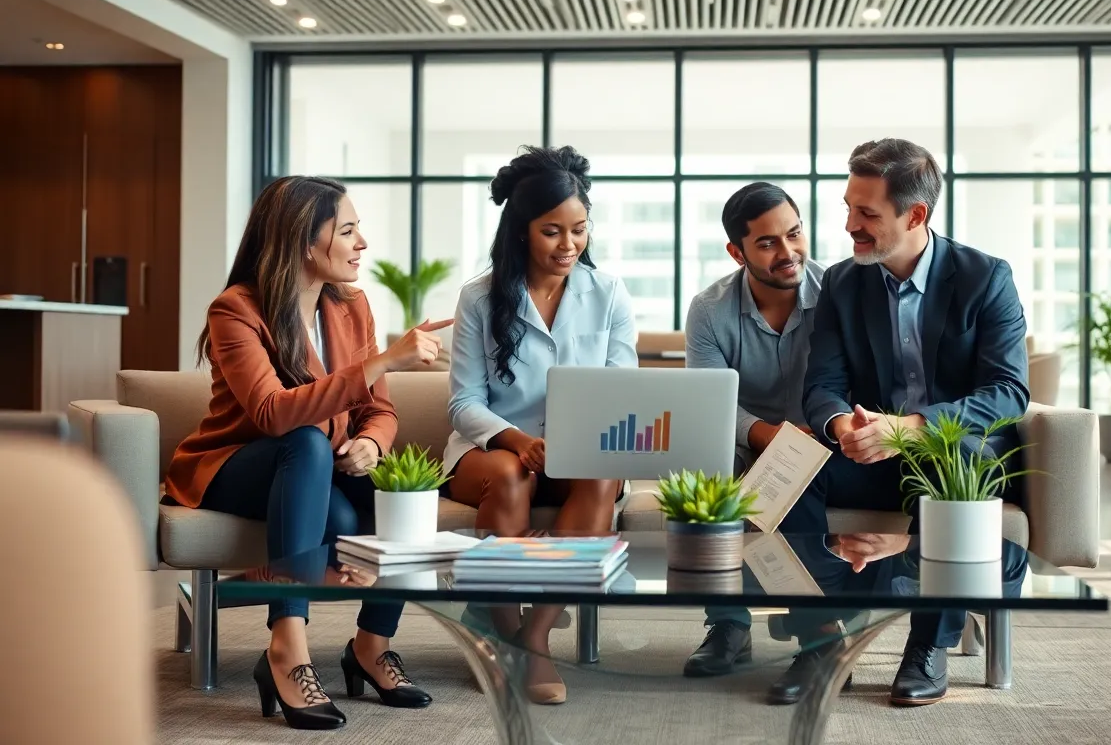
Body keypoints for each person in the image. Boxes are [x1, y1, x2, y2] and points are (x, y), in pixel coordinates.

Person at [165, 176, 449, 730]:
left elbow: (380, 412)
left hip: (314, 469)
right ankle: (286, 649)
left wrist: (370, 443)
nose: (362, 243)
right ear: (302, 242)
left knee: (391, 493)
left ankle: (370, 645)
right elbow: (271, 413)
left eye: (358, 229)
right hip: (234, 465)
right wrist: (382, 362)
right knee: (304, 441)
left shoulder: (350, 306)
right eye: (347, 230)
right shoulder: (236, 310)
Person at [796, 137, 1030, 706]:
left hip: (952, 451)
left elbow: (1009, 392)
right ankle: (822, 638)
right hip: (871, 449)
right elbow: (822, 386)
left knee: (957, 469)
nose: (850, 223)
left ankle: (928, 644)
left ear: (915, 214)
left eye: (867, 213)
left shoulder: (985, 277)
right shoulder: (843, 283)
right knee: (793, 463)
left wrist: (913, 429)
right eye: (848, 207)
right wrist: (838, 428)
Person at [444, 145, 637, 705]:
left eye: (579, 230)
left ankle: (537, 634)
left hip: (582, 450)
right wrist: (521, 441)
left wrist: (573, 441)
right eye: (553, 231)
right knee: (509, 474)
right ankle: (507, 629)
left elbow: (622, 392)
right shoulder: (479, 298)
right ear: (521, 231)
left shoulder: (609, 295)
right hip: (496, 450)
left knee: (601, 476)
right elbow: (464, 403)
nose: (569, 245)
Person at [678, 182, 836, 702]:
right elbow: (709, 401)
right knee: (708, 464)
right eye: (767, 243)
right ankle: (728, 625)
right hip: (744, 437)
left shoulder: (837, 292)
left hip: (821, 436)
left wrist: (806, 434)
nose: (788, 252)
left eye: (794, 234)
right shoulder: (709, 310)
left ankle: (818, 640)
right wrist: (767, 435)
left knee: (798, 469)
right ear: (737, 251)